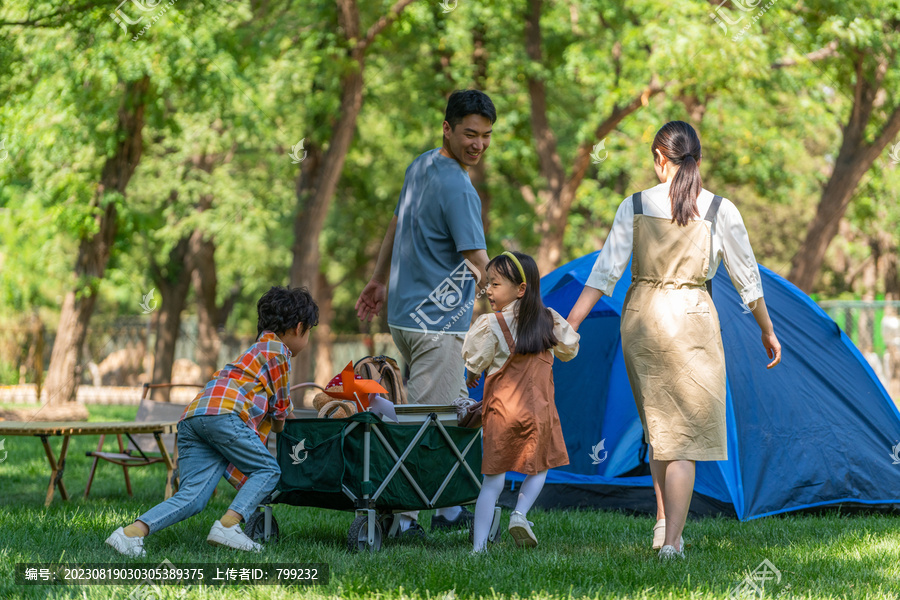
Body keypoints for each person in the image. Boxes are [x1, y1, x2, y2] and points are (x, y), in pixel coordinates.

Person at [566, 121, 782, 560]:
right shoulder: (720, 210)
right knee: (683, 439)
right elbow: (749, 282)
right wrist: (767, 329)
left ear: (658, 159)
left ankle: (665, 524)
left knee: (660, 430)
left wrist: (570, 323)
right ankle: (670, 547)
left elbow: (604, 274)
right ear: (696, 161)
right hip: (693, 321)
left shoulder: (634, 204)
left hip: (641, 318)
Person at [355, 89, 495, 536]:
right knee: (424, 420)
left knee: (442, 410)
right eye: (470, 134)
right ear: (447, 128)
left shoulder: (420, 164)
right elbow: (478, 261)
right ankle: (403, 518)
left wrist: (378, 280)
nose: (478, 144)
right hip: (436, 325)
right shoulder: (459, 186)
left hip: (405, 317)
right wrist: (514, 301)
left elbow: (397, 222)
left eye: (487, 136)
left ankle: (449, 510)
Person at [106, 286, 319, 557]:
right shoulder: (278, 352)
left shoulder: (252, 352)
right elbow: (281, 411)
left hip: (194, 417)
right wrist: (289, 430)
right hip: (225, 417)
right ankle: (229, 526)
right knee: (268, 470)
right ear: (299, 327)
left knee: (192, 497)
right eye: (309, 332)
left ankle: (130, 534)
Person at [462, 251, 580, 552]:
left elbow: (476, 361)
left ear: (520, 288)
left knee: (492, 482)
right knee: (540, 469)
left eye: (495, 284)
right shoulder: (549, 320)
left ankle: (478, 548)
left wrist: (473, 373)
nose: (488, 290)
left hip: (502, 413)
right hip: (540, 413)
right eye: (488, 283)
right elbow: (570, 350)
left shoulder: (493, 324)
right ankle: (519, 513)